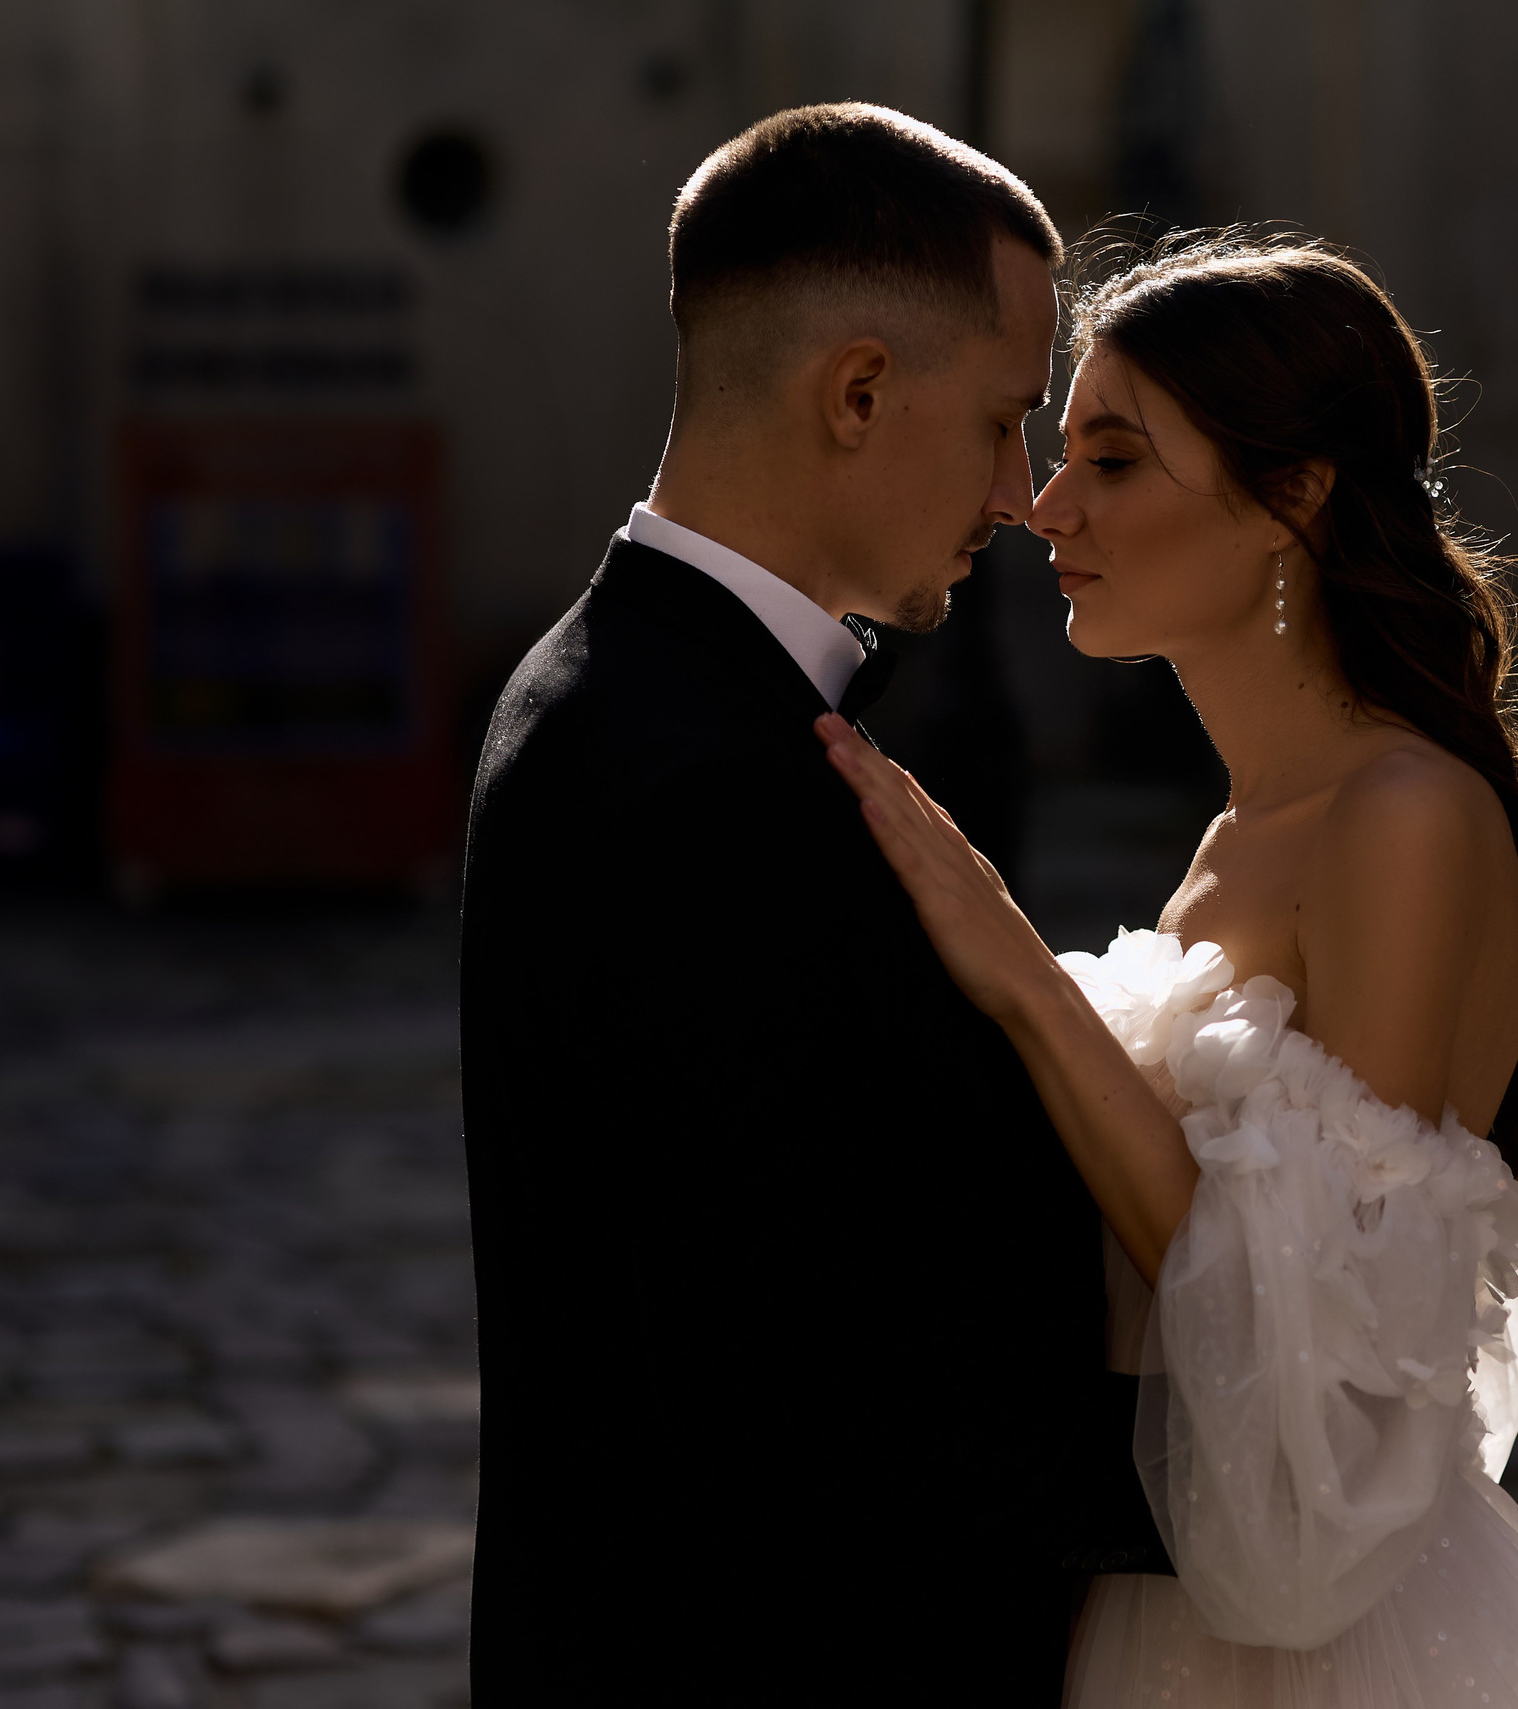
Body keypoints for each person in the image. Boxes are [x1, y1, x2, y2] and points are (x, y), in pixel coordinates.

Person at [817, 231, 1518, 1707]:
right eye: (1058, 450)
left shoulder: (1402, 814)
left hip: (1349, 1647)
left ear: (1294, 495)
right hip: (1165, 1605)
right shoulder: (1240, 827)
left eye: (1116, 460)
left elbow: (1317, 1367)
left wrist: (1017, 970)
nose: (1045, 504)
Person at [457, 105, 1161, 1702]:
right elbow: (813, 1367)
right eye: (1002, 422)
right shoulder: (698, 772)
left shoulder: (613, 688)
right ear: (857, 390)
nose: (1019, 490)